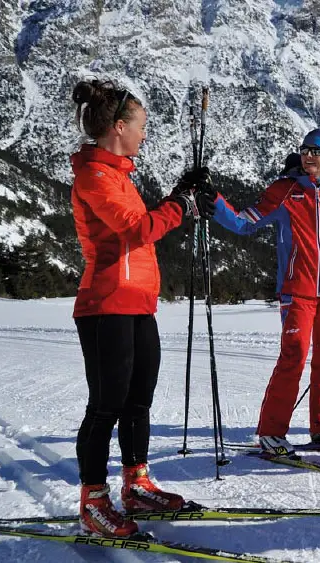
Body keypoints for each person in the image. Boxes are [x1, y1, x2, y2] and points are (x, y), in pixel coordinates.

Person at [70, 79, 216, 537]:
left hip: (137, 304)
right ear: (118, 127)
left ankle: (136, 485)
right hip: (104, 304)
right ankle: (93, 502)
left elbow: (144, 223)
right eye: (141, 126)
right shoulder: (93, 176)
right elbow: (136, 229)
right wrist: (183, 204)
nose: (144, 135)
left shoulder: (119, 176)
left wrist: (181, 194)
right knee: (106, 404)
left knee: (138, 401)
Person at [212, 129, 320, 457]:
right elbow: (244, 223)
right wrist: (213, 201)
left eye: (317, 150)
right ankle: (271, 432)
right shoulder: (284, 191)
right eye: (304, 150)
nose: (309, 156)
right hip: (296, 292)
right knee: (293, 358)